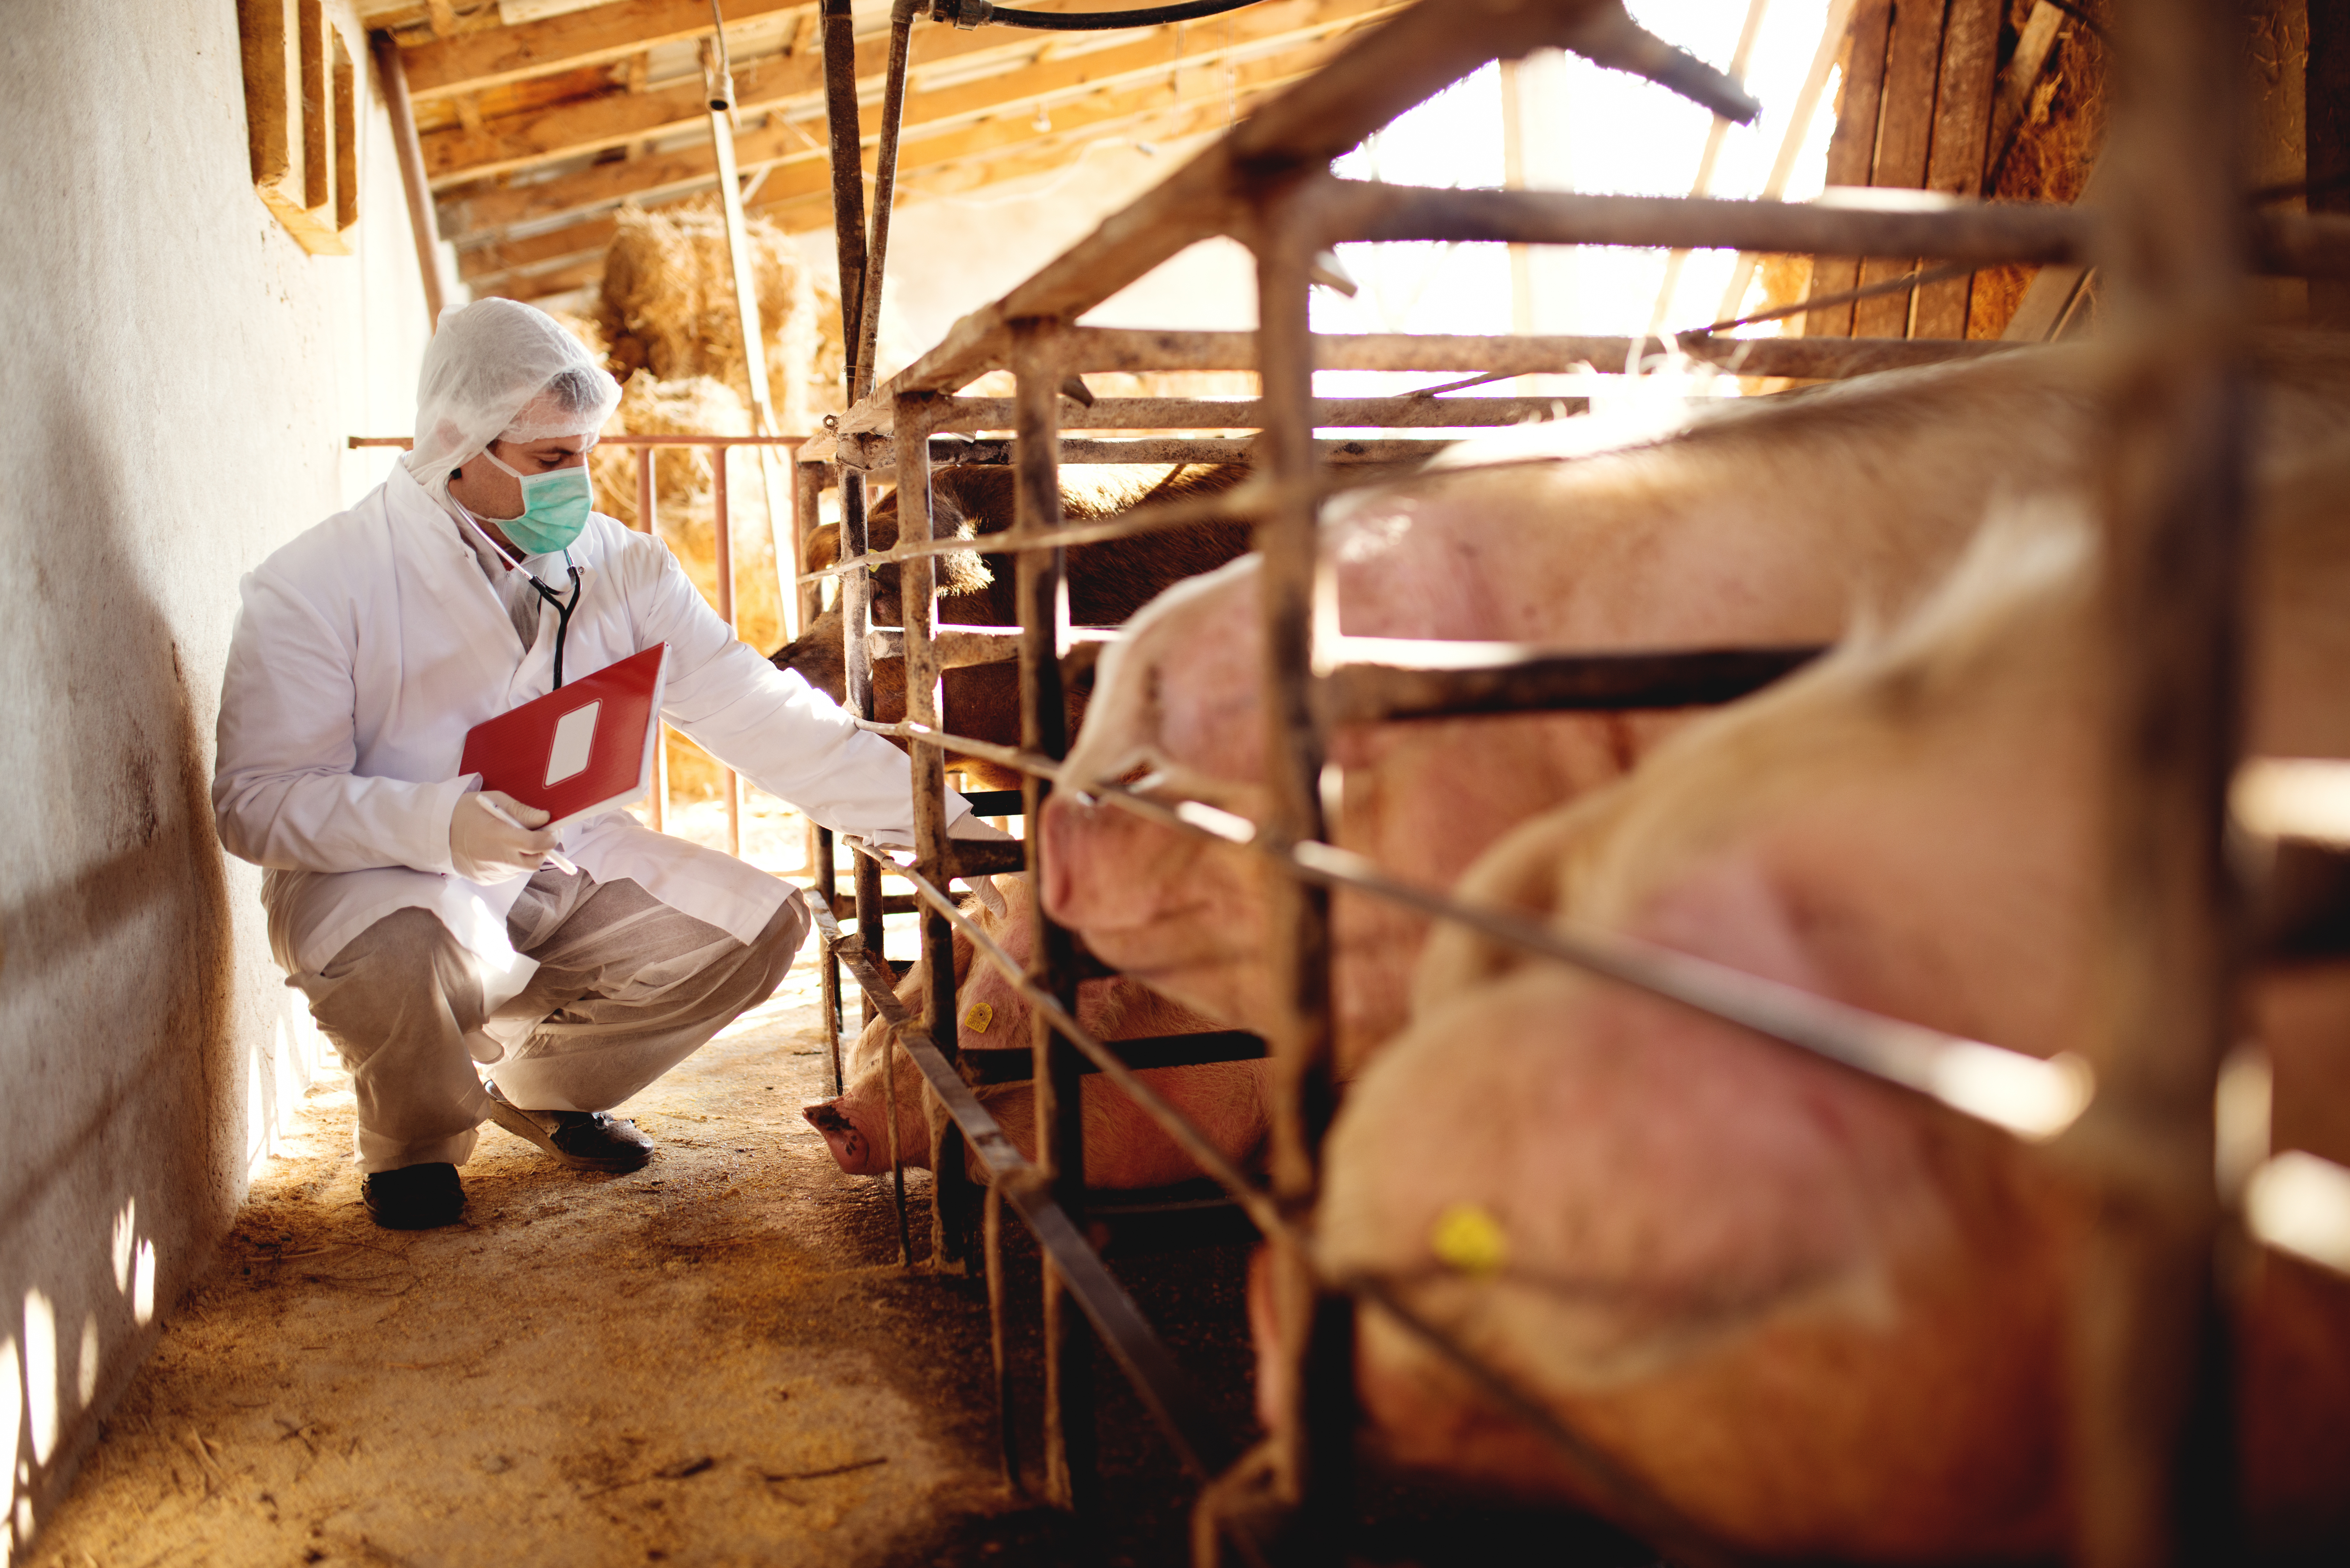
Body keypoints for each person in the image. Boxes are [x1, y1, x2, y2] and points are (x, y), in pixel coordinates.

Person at [213, 299, 1001, 1229]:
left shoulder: (623, 567)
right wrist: (436, 823)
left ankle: (544, 1089)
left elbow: (760, 712)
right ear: (458, 445)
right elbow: (254, 803)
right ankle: (413, 1144)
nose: (579, 483)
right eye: (553, 460)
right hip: (387, 877)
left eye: (588, 452)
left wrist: (961, 839)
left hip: (563, 857)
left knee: (760, 929)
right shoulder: (317, 584)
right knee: (408, 954)